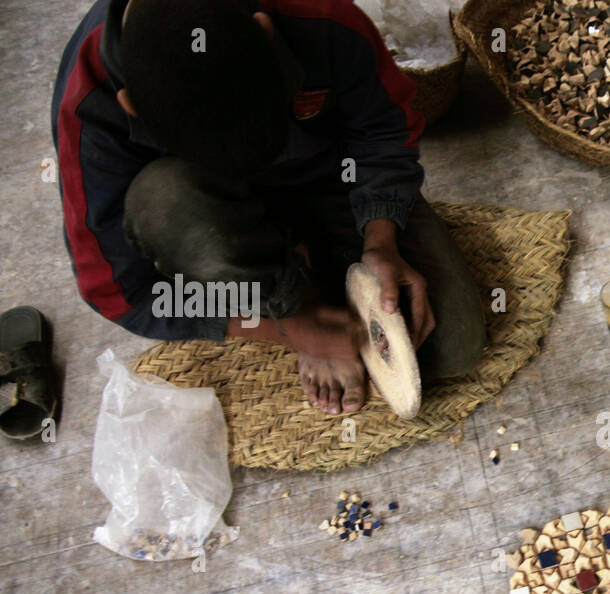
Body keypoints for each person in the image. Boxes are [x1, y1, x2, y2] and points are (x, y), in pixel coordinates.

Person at [53, 0, 487, 415]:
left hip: (330, 179)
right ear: (131, 106)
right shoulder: (89, 99)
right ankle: (291, 292)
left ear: (265, 30)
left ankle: (325, 268)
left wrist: (381, 239)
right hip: (218, 220)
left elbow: (381, 131)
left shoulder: (319, 16)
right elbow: (120, 294)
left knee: (455, 345)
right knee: (163, 200)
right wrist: (284, 326)